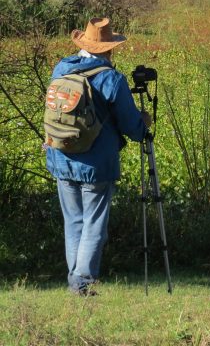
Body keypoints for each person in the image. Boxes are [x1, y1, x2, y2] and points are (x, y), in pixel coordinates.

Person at [44, 17, 151, 296]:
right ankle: (83, 282)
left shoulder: (61, 68)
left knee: (74, 221)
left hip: (61, 155)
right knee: (94, 225)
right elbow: (131, 126)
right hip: (96, 164)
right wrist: (144, 124)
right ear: (109, 49)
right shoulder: (112, 78)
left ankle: (75, 279)